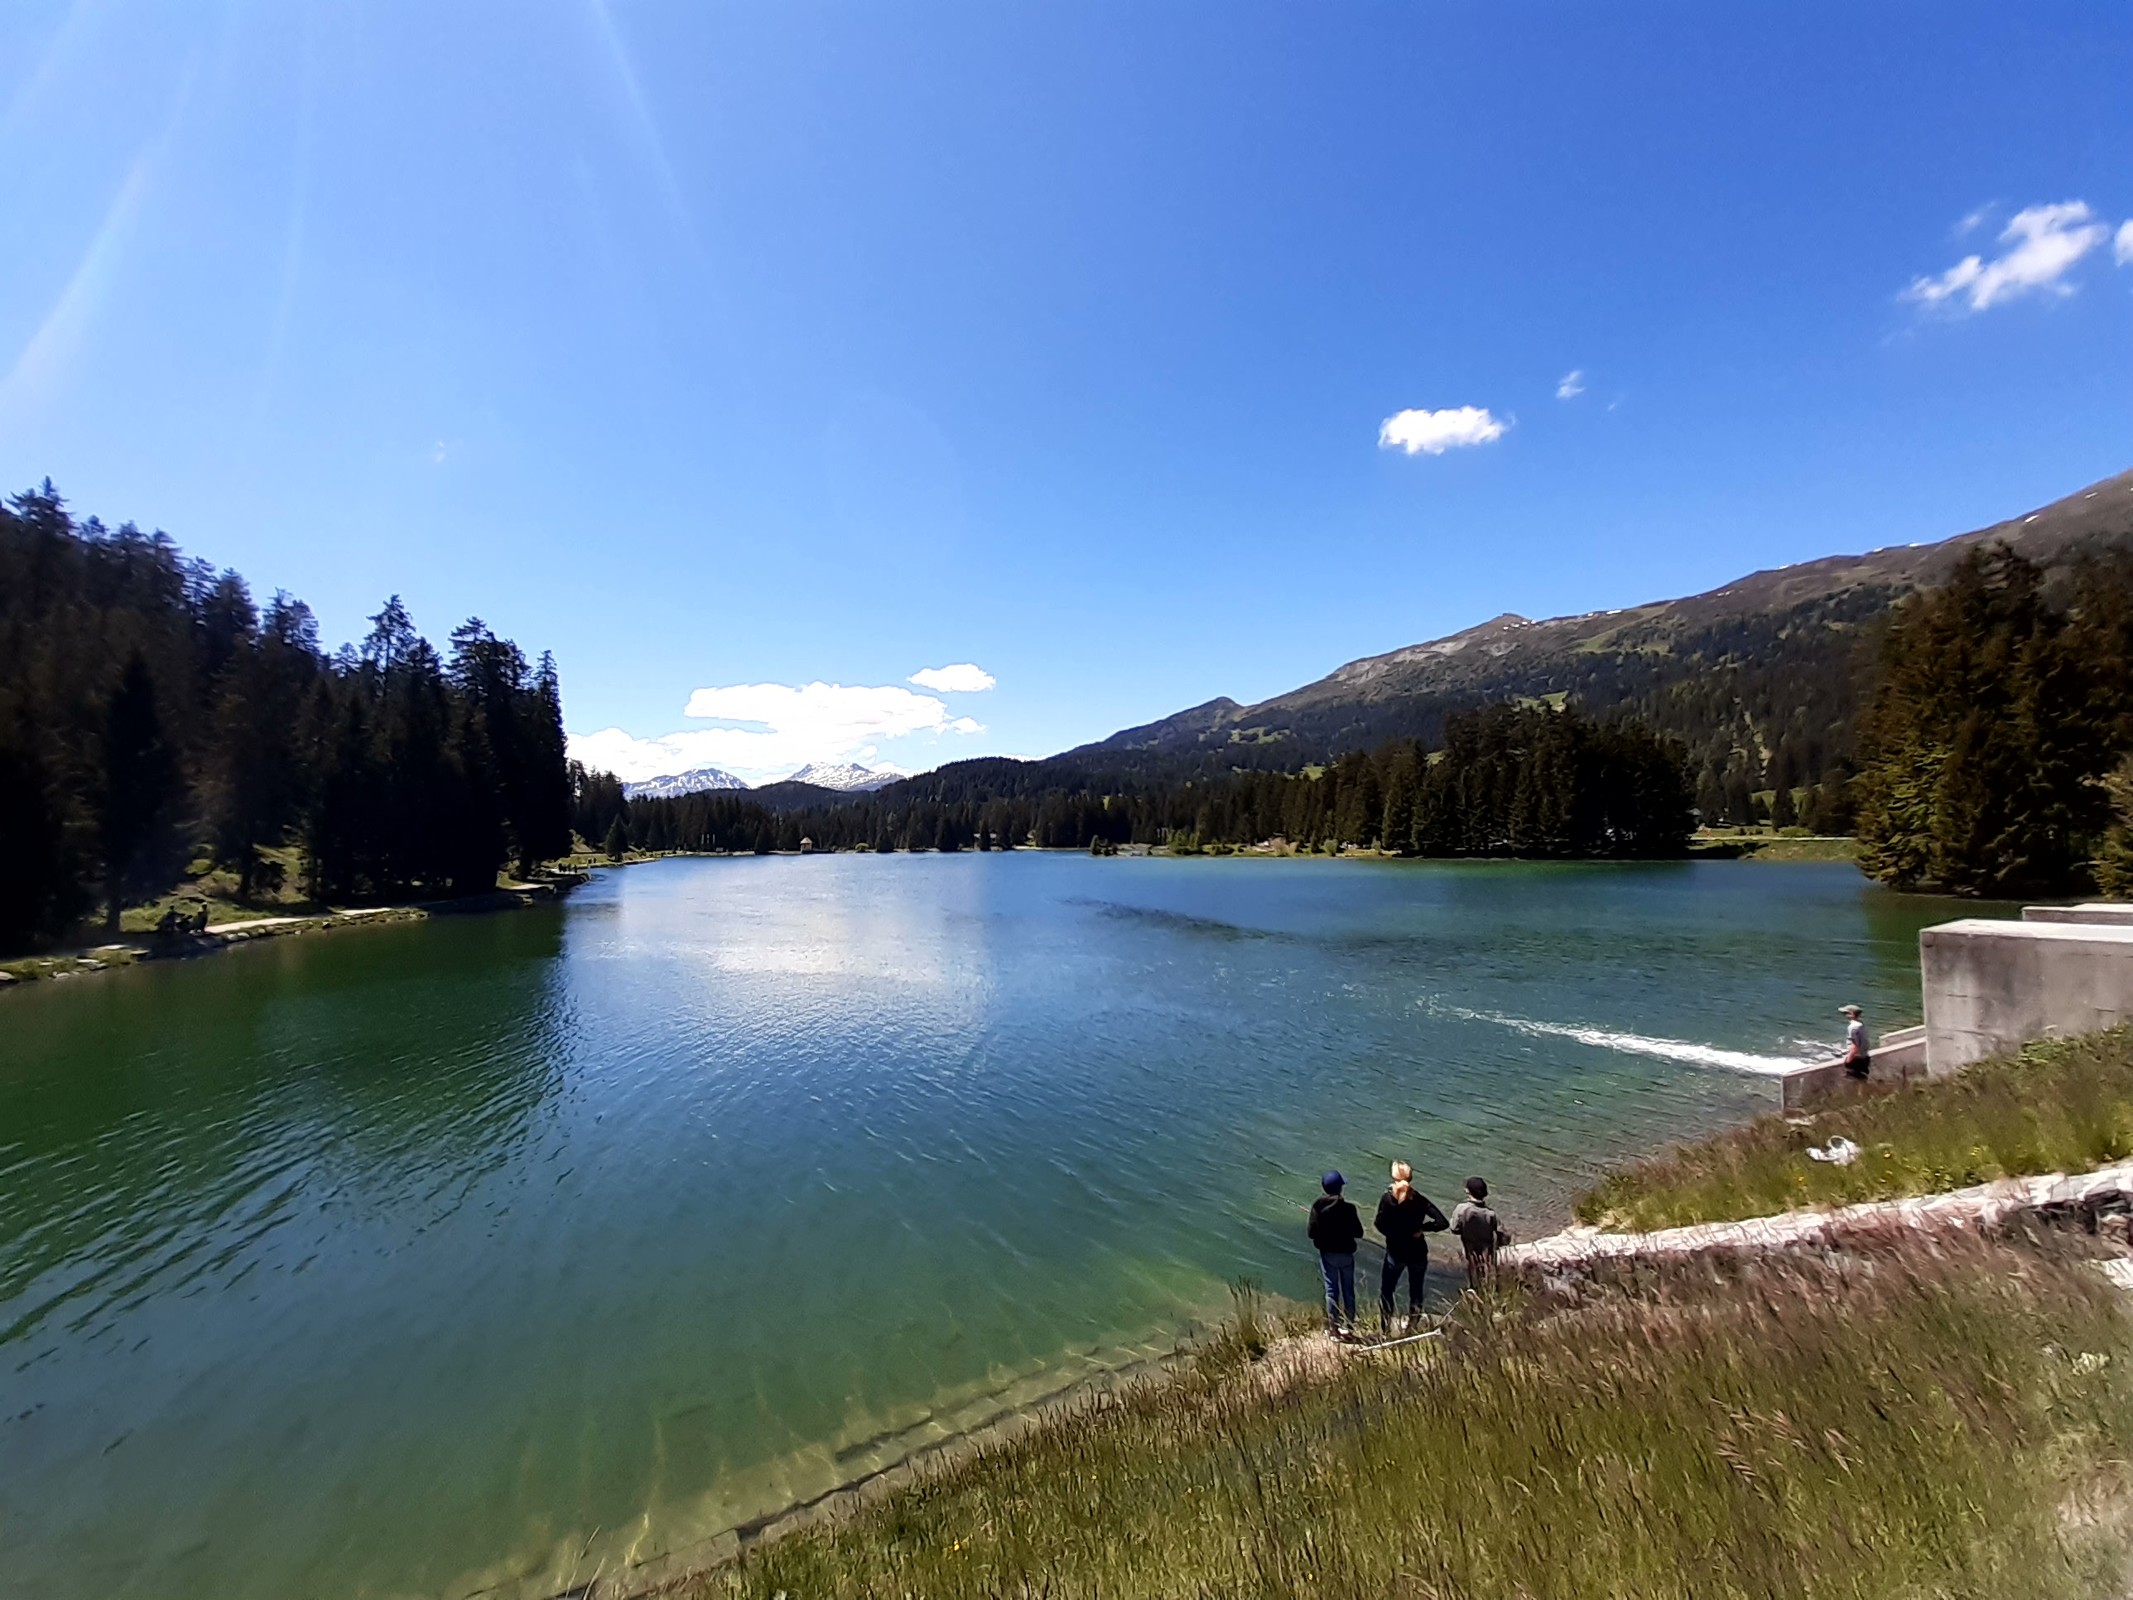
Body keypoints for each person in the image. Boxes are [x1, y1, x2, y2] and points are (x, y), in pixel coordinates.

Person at [1373, 1161, 1448, 1330]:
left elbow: (1379, 1223)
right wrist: (1422, 1229)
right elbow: (1442, 1222)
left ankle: (1385, 1328)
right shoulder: (1419, 1199)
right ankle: (1413, 1326)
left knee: (1387, 1290)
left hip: (1396, 1251)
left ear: (1394, 1177)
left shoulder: (1387, 1199)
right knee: (1416, 1290)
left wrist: (1393, 1235)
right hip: (1417, 1251)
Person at [1307, 1170, 1364, 1337]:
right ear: (1340, 1188)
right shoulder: (1349, 1209)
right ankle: (1350, 1327)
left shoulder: (1318, 1207)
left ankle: (1334, 1329)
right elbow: (1359, 1233)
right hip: (1346, 1254)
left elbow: (1311, 1233)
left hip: (1327, 1254)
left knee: (1331, 1290)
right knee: (1348, 1290)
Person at [1450, 1176, 1510, 1289]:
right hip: (1488, 1251)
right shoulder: (1491, 1214)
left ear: (1467, 1191)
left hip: (1469, 1247)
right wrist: (1498, 1244)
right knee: (1487, 1275)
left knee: (1472, 1274)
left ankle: (1473, 1292)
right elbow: (1504, 1237)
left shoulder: (1461, 1209)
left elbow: (1454, 1228)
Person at [1840, 1003, 1871, 1081]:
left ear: (1852, 1014)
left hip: (1856, 1059)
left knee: (1853, 1081)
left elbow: (1855, 1045)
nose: (1845, 1015)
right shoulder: (1861, 1025)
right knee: (1863, 1079)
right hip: (1865, 1057)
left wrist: (1849, 1060)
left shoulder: (1852, 1027)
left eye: (1846, 1013)